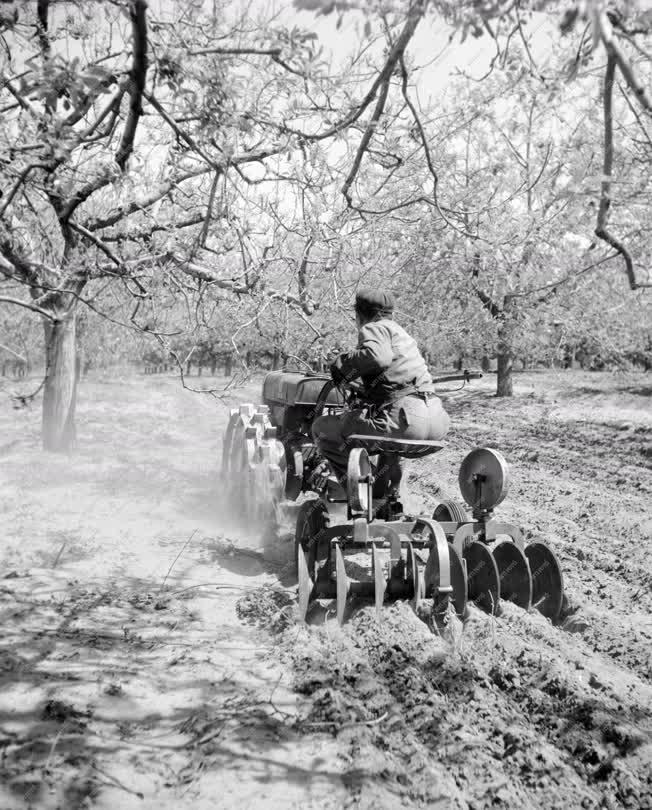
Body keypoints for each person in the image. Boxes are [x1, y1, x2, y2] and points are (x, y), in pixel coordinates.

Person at [311, 288, 450, 500]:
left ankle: (362, 498)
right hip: (436, 423)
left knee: (323, 429)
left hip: (404, 421)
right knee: (388, 440)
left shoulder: (374, 328)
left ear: (360, 315)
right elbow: (393, 377)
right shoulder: (402, 335)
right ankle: (388, 496)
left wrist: (341, 364)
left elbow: (378, 357)